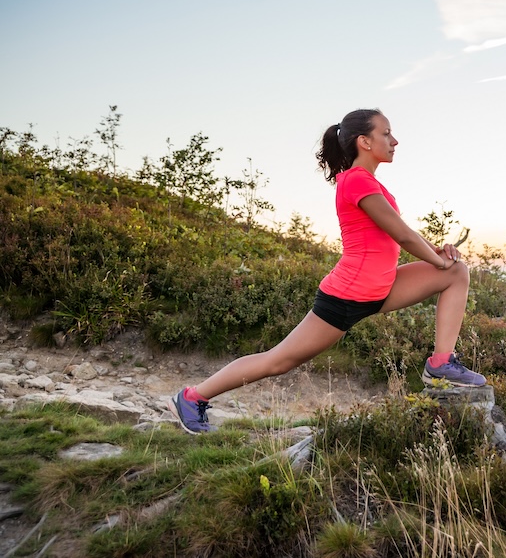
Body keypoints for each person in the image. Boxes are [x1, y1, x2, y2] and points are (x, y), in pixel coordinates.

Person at [168, 108, 485, 434]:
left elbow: (394, 235)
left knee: (456, 273)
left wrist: (436, 253)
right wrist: (437, 260)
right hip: (346, 296)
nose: (395, 141)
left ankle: (440, 363)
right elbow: (402, 235)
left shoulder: (371, 183)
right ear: (364, 141)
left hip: (381, 288)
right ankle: (192, 397)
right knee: (279, 361)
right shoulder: (356, 180)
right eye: (386, 133)